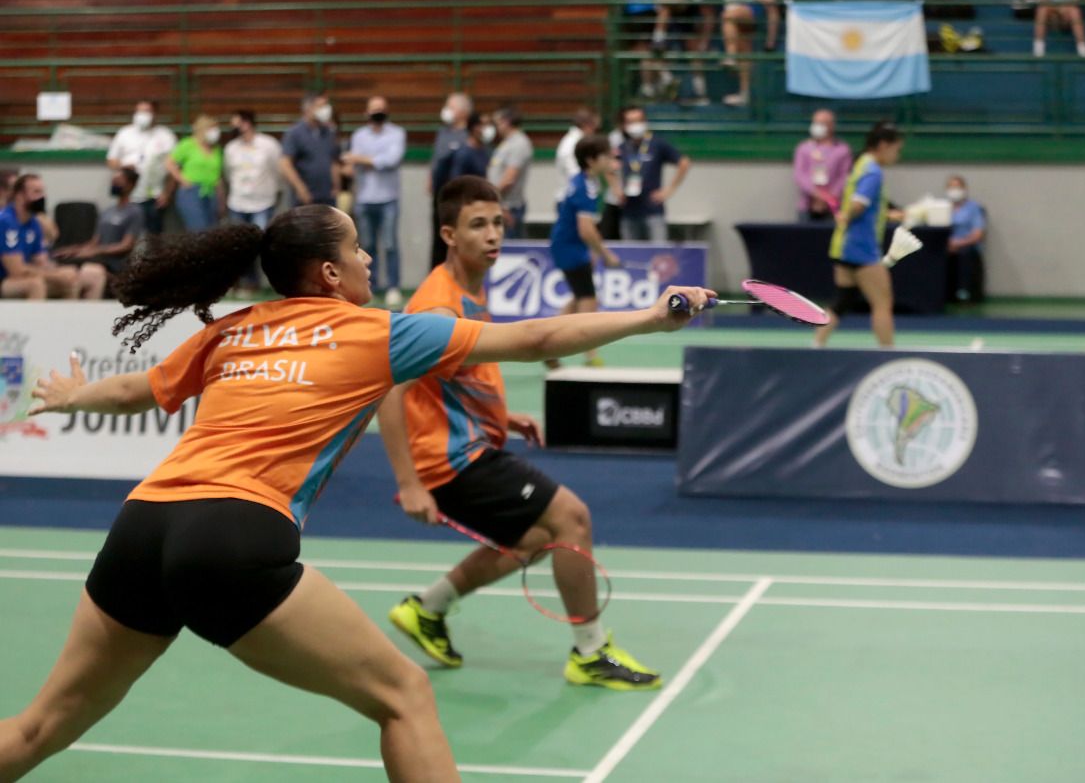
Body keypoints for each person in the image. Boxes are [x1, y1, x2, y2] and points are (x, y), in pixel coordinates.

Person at [0, 202, 713, 782]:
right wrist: (653, 317)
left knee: (38, 727)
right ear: (331, 271)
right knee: (403, 697)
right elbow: (538, 337)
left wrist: (72, 396)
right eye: (359, 249)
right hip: (236, 534)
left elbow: (135, 389)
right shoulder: (380, 332)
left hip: (141, 526)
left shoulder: (234, 330)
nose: (372, 259)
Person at [382, 176, 659, 689]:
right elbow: (391, 388)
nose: (492, 236)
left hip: (469, 444)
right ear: (448, 234)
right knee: (571, 519)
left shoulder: (470, 287)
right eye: (477, 225)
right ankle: (591, 651)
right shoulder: (438, 307)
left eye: (497, 224)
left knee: (535, 540)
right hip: (450, 462)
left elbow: (448, 377)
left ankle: (428, 608)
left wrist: (503, 418)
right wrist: (408, 481)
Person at [815, 121, 905, 349]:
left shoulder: (861, 164)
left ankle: (817, 344)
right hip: (862, 249)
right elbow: (859, 204)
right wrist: (848, 214)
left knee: (843, 301)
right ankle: (888, 352)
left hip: (843, 245)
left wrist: (886, 214)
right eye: (897, 149)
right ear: (884, 145)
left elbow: (865, 206)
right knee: (883, 303)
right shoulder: (873, 171)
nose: (898, 155)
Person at [551, 137, 623, 368]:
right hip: (570, 247)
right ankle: (590, 355)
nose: (611, 160)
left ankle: (547, 344)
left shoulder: (588, 181)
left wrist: (592, 252)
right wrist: (605, 254)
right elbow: (585, 230)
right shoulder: (585, 188)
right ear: (592, 160)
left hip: (571, 246)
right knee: (588, 299)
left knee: (578, 297)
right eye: (606, 156)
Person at [344, 95, 407, 308]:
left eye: (381, 108)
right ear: (366, 113)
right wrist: (367, 161)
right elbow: (352, 163)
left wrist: (362, 159)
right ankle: (372, 286)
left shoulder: (397, 133)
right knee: (367, 246)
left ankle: (393, 287)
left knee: (390, 244)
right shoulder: (359, 135)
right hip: (364, 197)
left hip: (388, 197)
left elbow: (390, 161)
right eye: (374, 109)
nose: (378, 112)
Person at [0, 174, 102, 300]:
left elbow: (41, 260)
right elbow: (16, 270)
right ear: (20, 196)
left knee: (72, 280)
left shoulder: (33, 222)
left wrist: (62, 272)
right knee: (36, 284)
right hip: (5, 279)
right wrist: (55, 275)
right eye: (36, 192)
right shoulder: (6, 221)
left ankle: (70, 319)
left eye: (43, 192)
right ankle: (33, 319)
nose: (42, 197)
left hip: (24, 276)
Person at [51, 167, 145, 294]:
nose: (114, 184)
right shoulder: (107, 211)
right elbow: (95, 241)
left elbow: (126, 245)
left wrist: (95, 251)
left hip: (114, 265)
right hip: (97, 259)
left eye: (119, 181)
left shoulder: (134, 212)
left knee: (87, 272)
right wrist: (73, 250)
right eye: (114, 181)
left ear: (131, 185)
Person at [223, 110, 282, 296]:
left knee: (259, 243)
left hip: (263, 202)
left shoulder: (268, 144)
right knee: (239, 245)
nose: (234, 127)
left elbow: (277, 170)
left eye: (237, 122)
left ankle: (260, 281)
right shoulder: (231, 148)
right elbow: (227, 173)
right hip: (237, 202)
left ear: (247, 123)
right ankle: (243, 281)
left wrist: (275, 193)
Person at [616, 105, 690, 241]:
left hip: (652, 209)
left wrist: (669, 190)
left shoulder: (657, 144)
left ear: (644, 122)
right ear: (624, 125)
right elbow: (609, 167)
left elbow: (684, 163)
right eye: (630, 122)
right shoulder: (623, 147)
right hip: (629, 211)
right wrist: (617, 190)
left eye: (638, 121)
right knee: (631, 255)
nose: (635, 125)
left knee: (657, 253)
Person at [107, 100, 177, 236]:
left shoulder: (166, 136)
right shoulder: (124, 133)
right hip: (129, 197)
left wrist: (167, 193)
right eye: (139, 111)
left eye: (146, 111)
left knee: (154, 238)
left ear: (155, 114)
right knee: (128, 237)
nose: (142, 115)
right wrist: (123, 165)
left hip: (155, 197)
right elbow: (111, 161)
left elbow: (173, 169)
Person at [720, 0, 773, 107]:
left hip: (749, 8)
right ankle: (744, 94)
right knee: (745, 52)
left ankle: (730, 55)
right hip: (733, 8)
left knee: (727, 17)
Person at [428, 93, 473, 267]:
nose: (446, 111)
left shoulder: (468, 135)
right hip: (439, 195)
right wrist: (430, 178)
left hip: (459, 195)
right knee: (437, 236)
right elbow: (435, 158)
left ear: (463, 111)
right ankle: (435, 273)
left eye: (451, 107)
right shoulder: (443, 133)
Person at [280, 92, 341, 207]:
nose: (326, 110)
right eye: (321, 106)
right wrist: (301, 188)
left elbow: (334, 161)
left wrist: (336, 186)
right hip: (305, 198)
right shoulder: (294, 133)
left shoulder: (329, 132)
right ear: (309, 108)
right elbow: (285, 164)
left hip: (328, 197)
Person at [165, 115, 223, 234]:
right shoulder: (188, 144)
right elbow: (169, 163)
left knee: (212, 231)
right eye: (212, 129)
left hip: (211, 192)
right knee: (198, 230)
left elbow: (218, 176)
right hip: (191, 191)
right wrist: (183, 180)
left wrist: (221, 200)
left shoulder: (217, 149)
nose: (215, 132)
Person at [793, 109, 853, 222]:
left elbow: (845, 176)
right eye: (815, 123)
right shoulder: (804, 148)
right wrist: (816, 194)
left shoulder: (843, 150)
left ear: (831, 125)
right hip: (807, 207)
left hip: (833, 208)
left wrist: (829, 198)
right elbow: (799, 175)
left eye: (821, 123)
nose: (816, 126)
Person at [487, 106, 534, 238]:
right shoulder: (507, 143)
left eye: (497, 122)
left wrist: (491, 198)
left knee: (509, 250)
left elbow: (509, 179)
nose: (496, 127)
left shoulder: (519, 144)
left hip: (509, 207)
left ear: (506, 121)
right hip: (500, 204)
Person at [944, 175, 987, 303]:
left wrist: (959, 243)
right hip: (947, 245)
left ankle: (963, 292)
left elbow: (978, 234)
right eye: (951, 187)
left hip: (967, 245)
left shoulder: (973, 208)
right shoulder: (942, 207)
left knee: (965, 254)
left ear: (964, 189)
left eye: (957, 187)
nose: (954, 190)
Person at [555, 107, 601, 197]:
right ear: (587, 125)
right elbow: (575, 176)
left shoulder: (577, 141)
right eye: (596, 128)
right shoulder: (573, 144)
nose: (596, 132)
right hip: (574, 200)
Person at [447, 112, 493, 183]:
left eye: (489, 124)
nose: (488, 129)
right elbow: (456, 182)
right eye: (484, 125)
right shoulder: (463, 153)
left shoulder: (488, 149)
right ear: (474, 127)